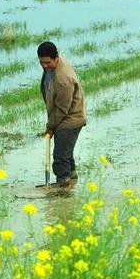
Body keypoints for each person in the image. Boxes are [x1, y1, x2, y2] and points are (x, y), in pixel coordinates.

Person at [37, 41, 86, 187]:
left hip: (70, 119)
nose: (44, 66)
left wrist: (50, 127)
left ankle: (64, 187)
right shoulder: (53, 66)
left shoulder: (63, 79)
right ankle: (72, 178)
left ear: (56, 58)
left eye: (47, 62)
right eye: (41, 62)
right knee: (66, 152)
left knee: (60, 157)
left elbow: (61, 110)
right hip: (65, 116)